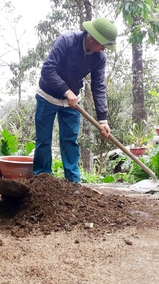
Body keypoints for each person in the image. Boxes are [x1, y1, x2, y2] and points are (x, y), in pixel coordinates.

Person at [33, 17, 116, 184]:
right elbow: (48, 69)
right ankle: (42, 181)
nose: (103, 49)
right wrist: (66, 90)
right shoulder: (66, 41)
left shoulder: (99, 58)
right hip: (47, 96)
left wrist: (103, 119)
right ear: (93, 38)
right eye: (102, 45)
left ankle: (73, 183)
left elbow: (99, 87)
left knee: (70, 140)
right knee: (44, 140)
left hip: (71, 103)